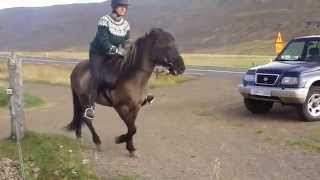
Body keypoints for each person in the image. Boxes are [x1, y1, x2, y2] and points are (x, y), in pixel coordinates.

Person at [85, 0, 153, 119]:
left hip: (116, 53)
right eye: (120, 6)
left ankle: (143, 95)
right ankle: (90, 107)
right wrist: (116, 51)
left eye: (125, 7)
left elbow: (126, 40)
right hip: (99, 53)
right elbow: (103, 41)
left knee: (132, 69)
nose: (123, 9)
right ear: (114, 7)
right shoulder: (104, 20)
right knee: (96, 75)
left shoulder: (125, 24)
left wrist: (129, 48)